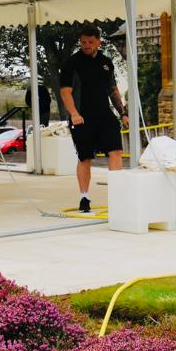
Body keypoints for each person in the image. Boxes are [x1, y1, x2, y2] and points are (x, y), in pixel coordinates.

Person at [59, 24, 129, 213]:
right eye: (83, 42)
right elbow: (65, 92)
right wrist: (74, 114)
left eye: (90, 42)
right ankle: (84, 197)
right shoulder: (72, 63)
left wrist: (123, 114)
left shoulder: (106, 62)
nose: (87, 45)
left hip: (105, 115)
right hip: (82, 117)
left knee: (115, 152)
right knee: (85, 158)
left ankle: (117, 195)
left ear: (99, 42)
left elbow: (113, 90)